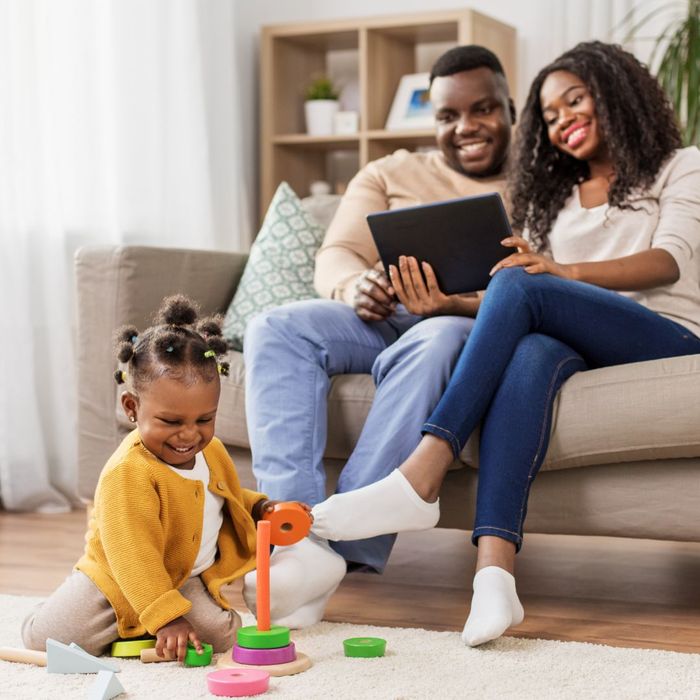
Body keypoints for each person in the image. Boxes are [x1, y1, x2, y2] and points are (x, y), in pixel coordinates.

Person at [310, 41, 700, 646]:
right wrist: (448, 305)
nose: (562, 118)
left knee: (521, 279)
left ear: (617, 93)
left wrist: (555, 273)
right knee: (528, 351)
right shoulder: (557, 198)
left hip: (668, 337)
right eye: (549, 114)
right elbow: (519, 296)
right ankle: (495, 579)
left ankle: (421, 473)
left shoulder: (682, 165)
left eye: (575, 99)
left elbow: (668, 262)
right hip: (580, 339)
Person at [242, 45, 516, 628]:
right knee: (275, 327)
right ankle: (294, 541)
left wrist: (451, 302)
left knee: (438, 338)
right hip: (379, 321)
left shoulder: (544, 183)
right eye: (448, 116)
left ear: (510, 110)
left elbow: (546, 287)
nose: (466, 127)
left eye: (484, 109)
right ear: (433, 121)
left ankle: (336, 545)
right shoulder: (391, 171)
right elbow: (337, 252)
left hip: (464, 324)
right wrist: (353, 285)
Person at [22, 295, 309, 661]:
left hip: (184, 575)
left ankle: (153, 619)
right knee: (48, 641)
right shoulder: (129, 472)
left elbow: (224, 497)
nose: (189, 435)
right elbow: (134, 557)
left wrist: (264, 506)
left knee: (221, 637)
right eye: (171, 422)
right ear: (132, 407)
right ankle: (127, 616)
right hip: (115, 580)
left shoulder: (212, 450)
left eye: (204, 420)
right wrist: (168, 620)